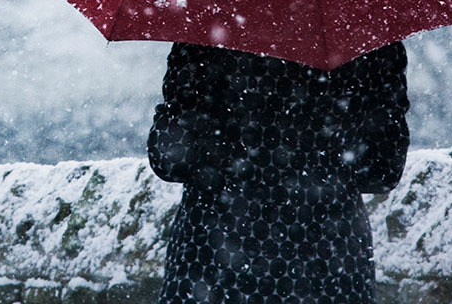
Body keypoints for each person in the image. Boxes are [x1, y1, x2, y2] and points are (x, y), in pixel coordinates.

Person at [148, 41, 409, 304]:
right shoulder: (365, 34)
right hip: (329, 263)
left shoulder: (205, 30)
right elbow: (382, 170)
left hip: (214, 261)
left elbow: (169, 161)